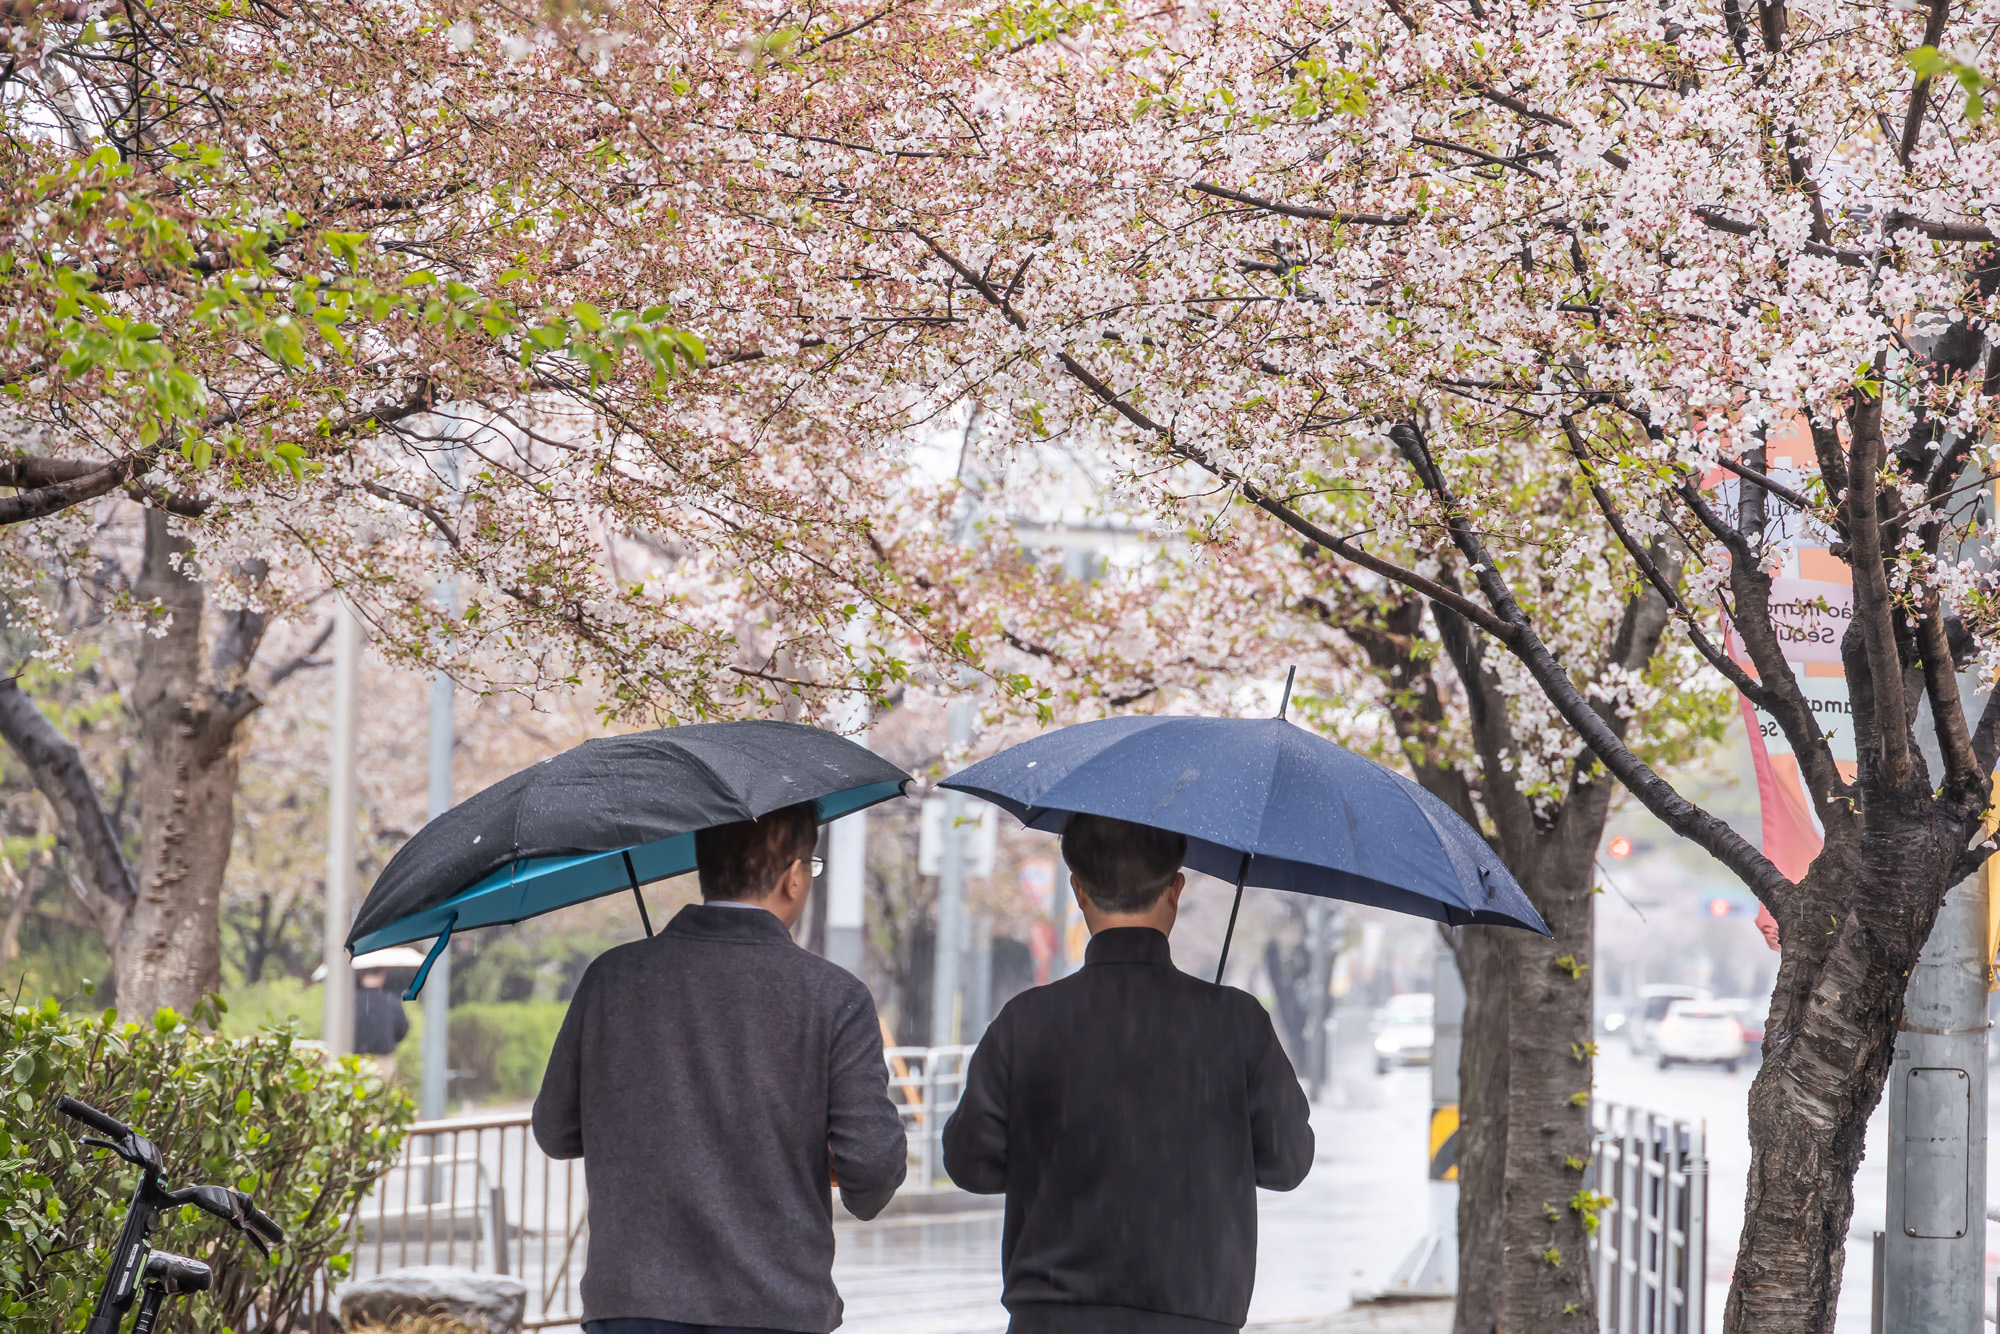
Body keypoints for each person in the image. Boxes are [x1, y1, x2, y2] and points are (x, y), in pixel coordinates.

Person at [533, 801, 908, 1334]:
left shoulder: (613, 979)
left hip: (633, 1304)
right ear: (794, 878)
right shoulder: (833, 996)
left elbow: (556, 1130)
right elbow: (870, 1164)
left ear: (706, 868)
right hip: (775, 1307)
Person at [942, 814, 1315, 1334]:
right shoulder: (1234, 1021)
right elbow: (1288, 1163)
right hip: (1193, 1317)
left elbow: (971, 1164)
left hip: (1051, 1318)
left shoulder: (1027, 1021)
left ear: (1078, 890)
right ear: (1176, 888)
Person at [353, 968, 409, 1082]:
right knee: (386, 1097)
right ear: (383, 974)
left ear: (359, 975)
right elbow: (402, 1029)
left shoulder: (351, 1000)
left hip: (356, 1061)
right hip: (383, 1061)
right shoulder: (391, 1000)